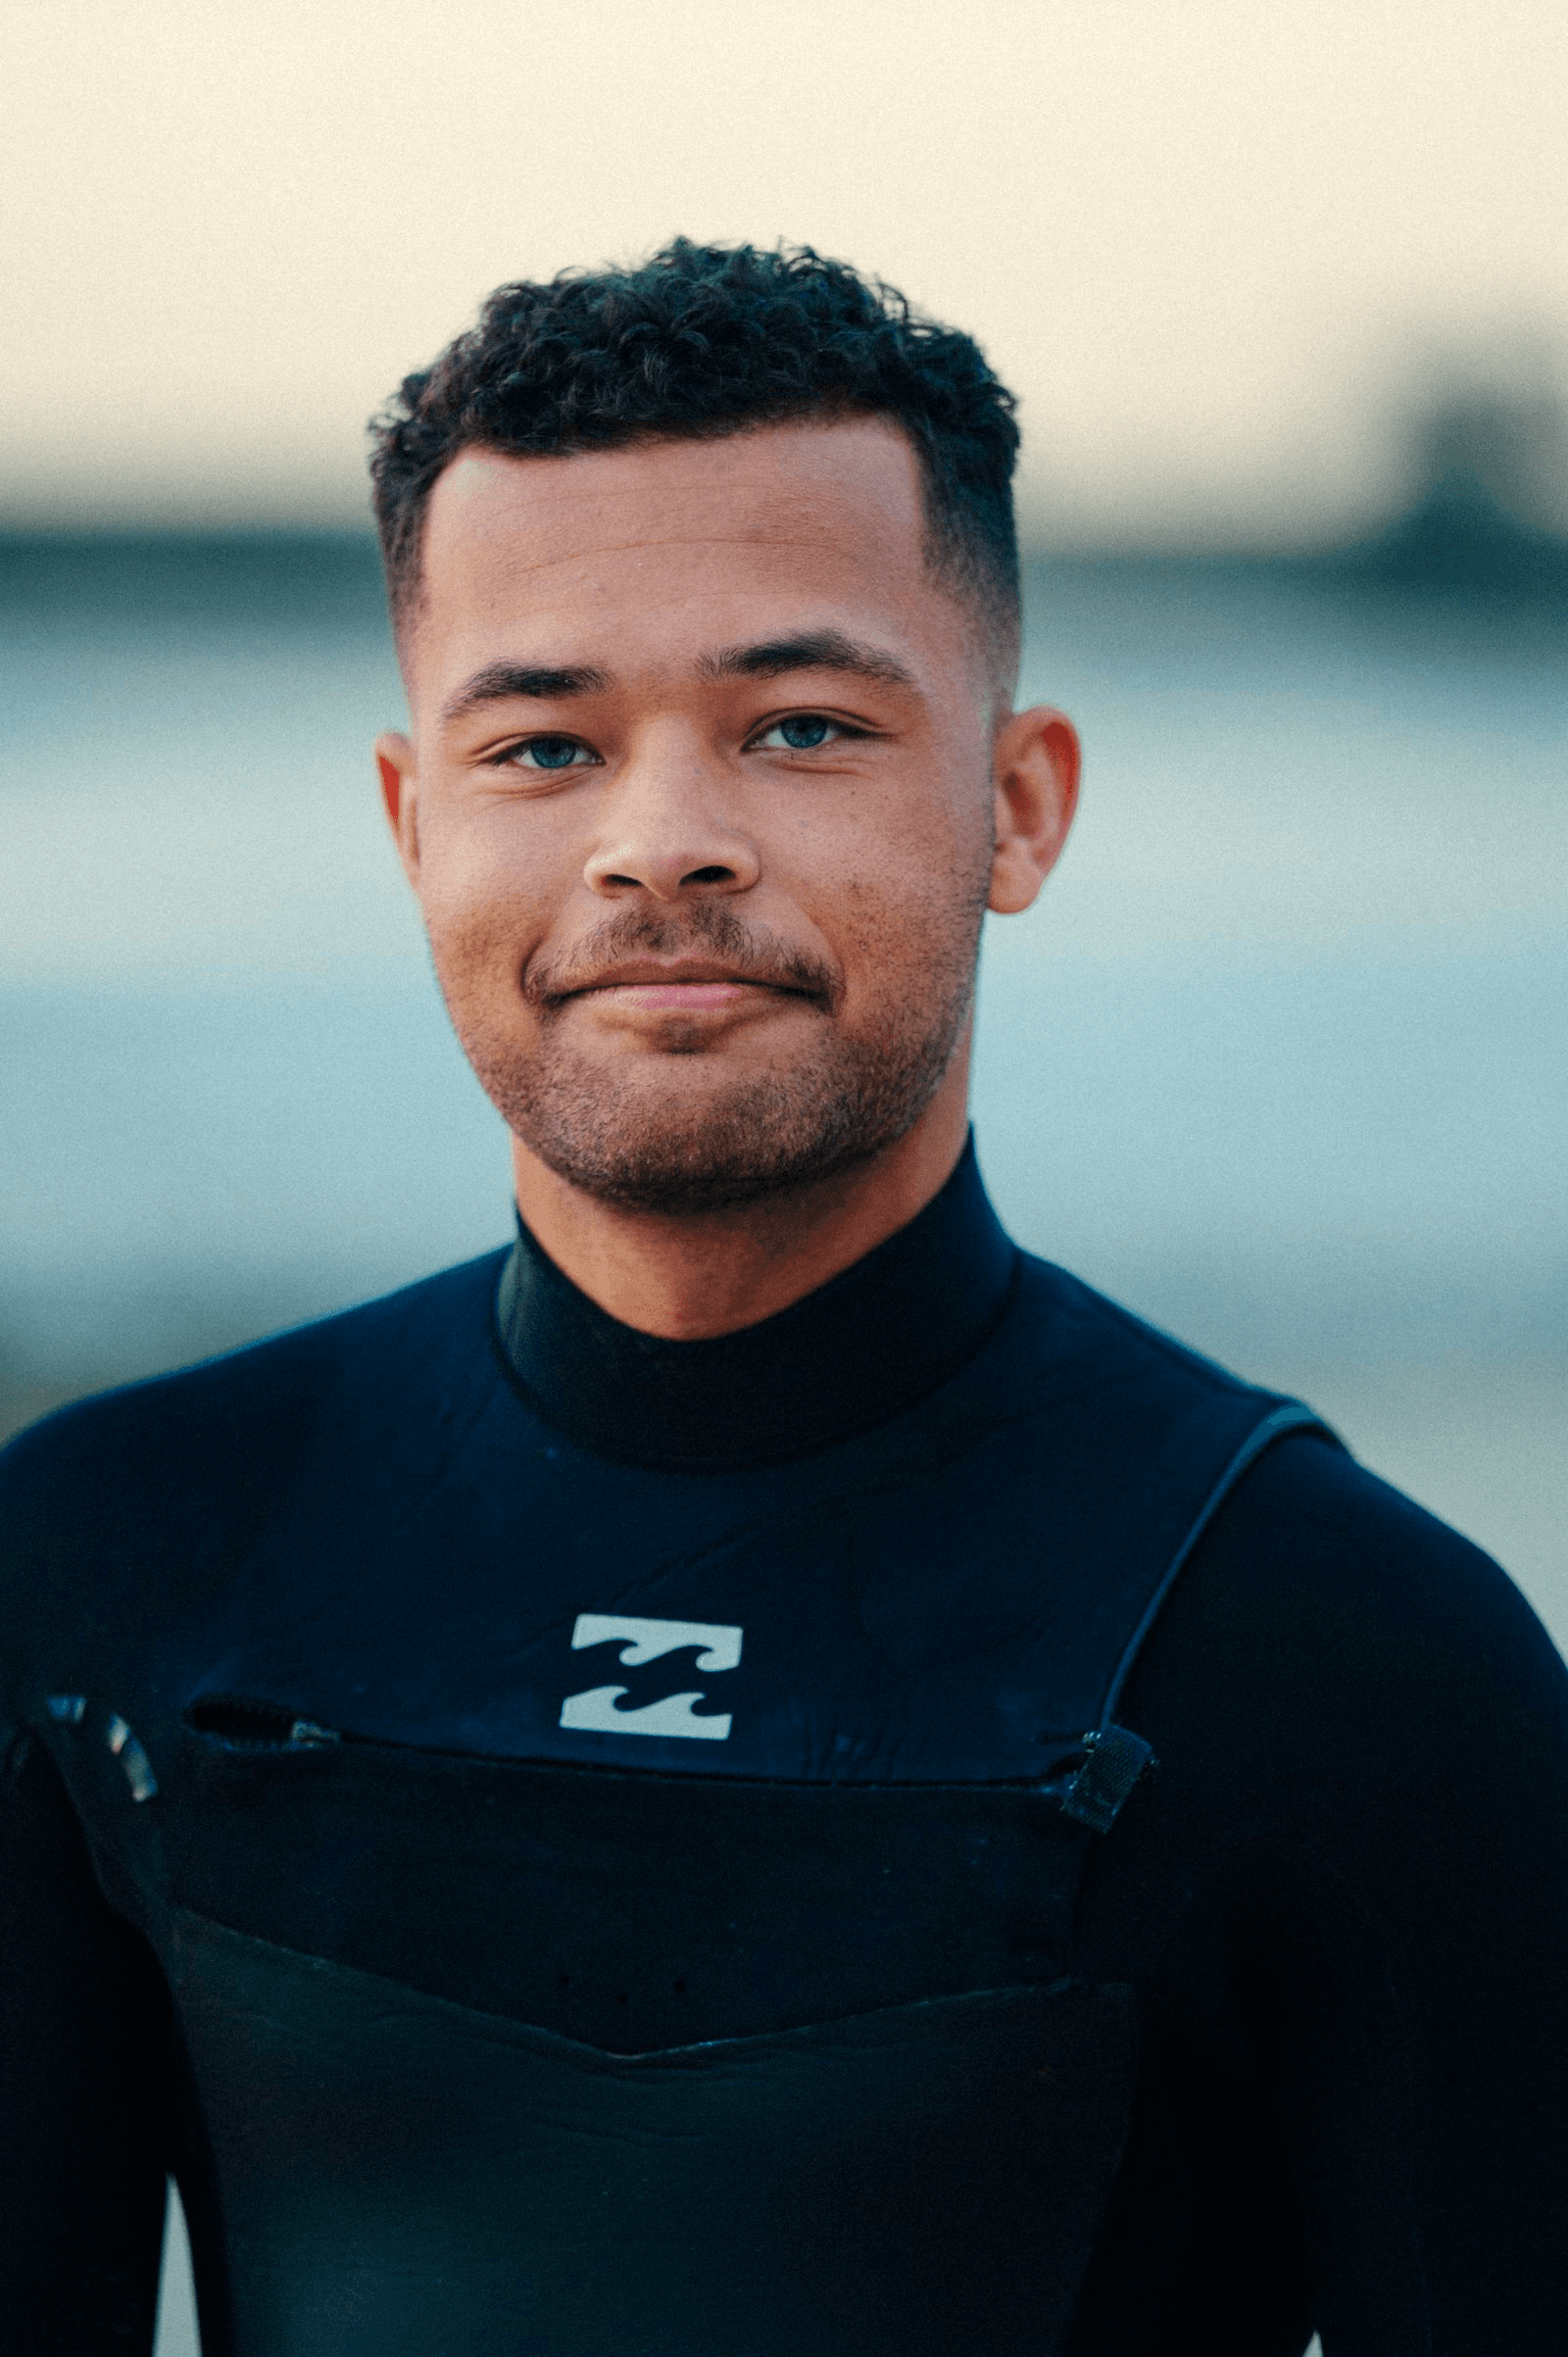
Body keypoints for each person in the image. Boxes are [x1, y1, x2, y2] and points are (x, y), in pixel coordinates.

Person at [2, 240, 1565, 2357]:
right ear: (409, 818)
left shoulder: (1352, 1657)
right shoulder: (107, 1564)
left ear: (1014, 804)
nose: (662, 843)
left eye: (799, 723)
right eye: (541, 747)